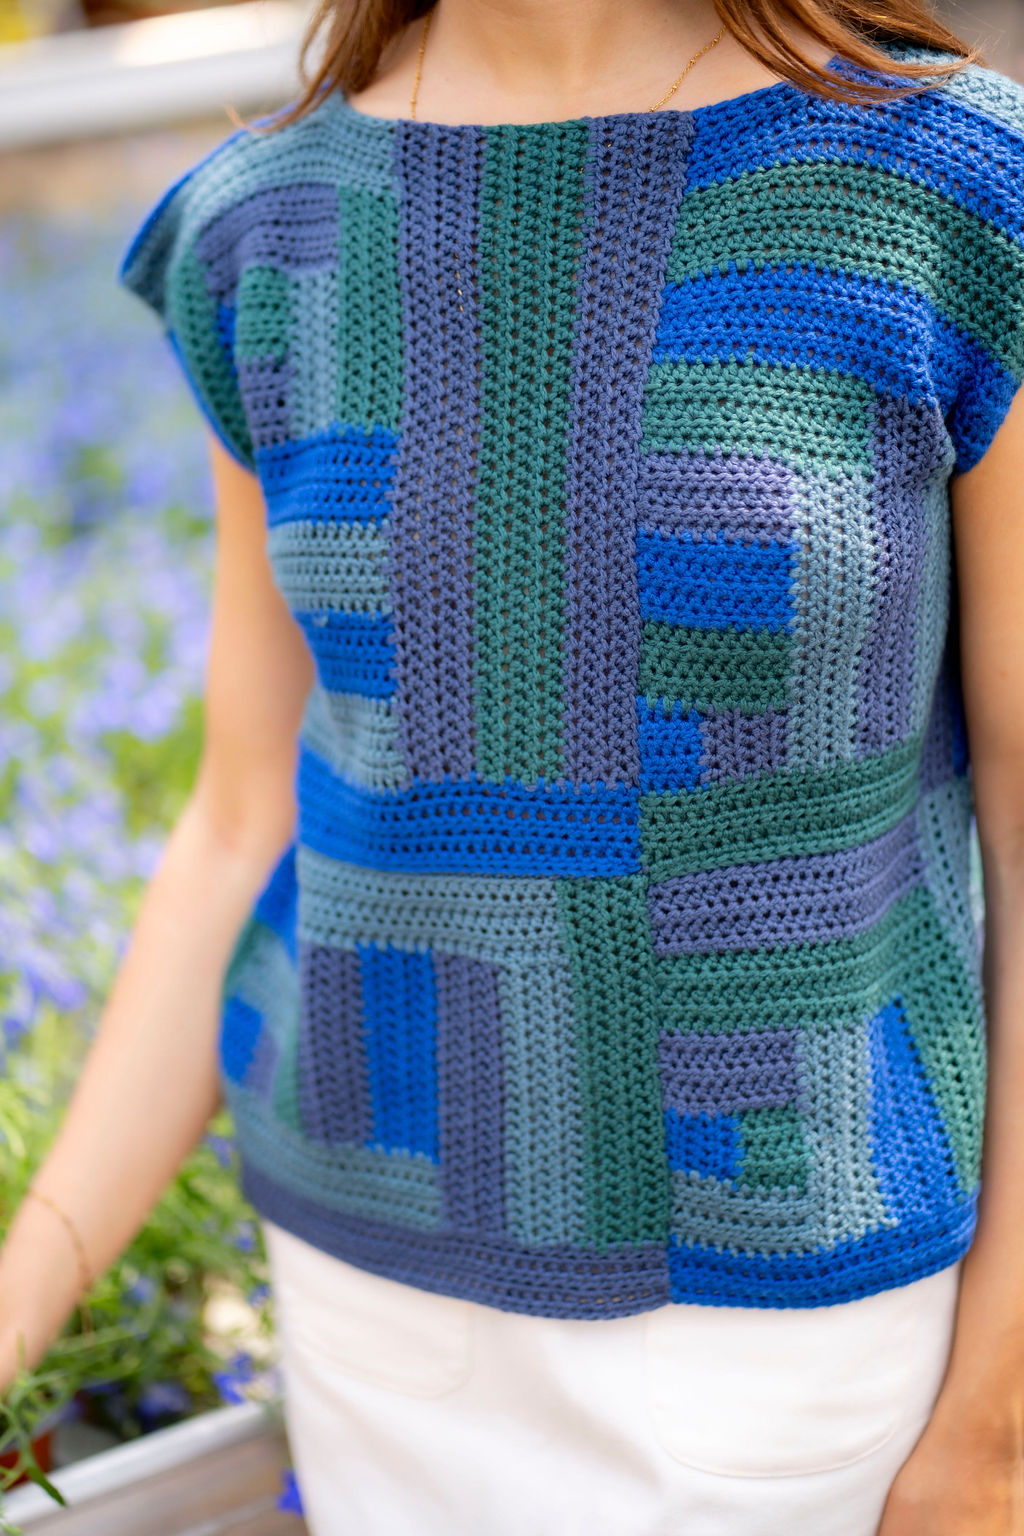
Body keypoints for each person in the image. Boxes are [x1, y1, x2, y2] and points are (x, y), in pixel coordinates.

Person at [3, 0, 1024, 1530]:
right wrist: (21, 1302)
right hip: (372, 1313)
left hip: (794, 1341)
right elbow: (240, 821)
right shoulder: (264, 228)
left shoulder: (945, 189)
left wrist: (996, 1428)